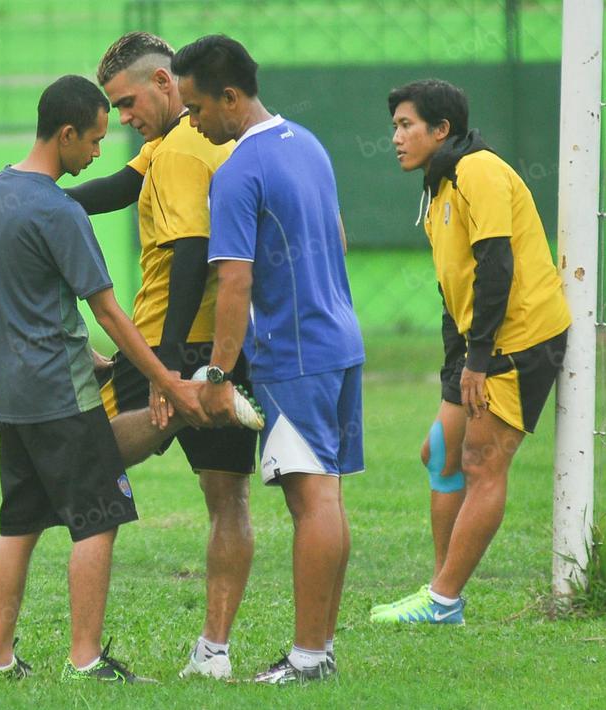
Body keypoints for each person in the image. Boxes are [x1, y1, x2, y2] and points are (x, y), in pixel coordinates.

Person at [0, 74, 205, 683]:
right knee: (99, 517)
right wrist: (165, 378)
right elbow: (108, 310)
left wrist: (90, 354)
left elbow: (25, 292)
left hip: (13, 395)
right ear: (67, 133)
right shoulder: (60, 210)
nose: (100, 154)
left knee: (19, 523)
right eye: (96, 141)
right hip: (60, 392)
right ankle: (86, 659)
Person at [61, 31, 260, 681]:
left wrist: (166, 365)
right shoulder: (183, 141)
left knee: (83, 468)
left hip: (160, 345)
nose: (120, 119)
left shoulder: (178, 150)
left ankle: (79, 648)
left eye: (124, 103)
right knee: (226, 499)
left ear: (164, 83)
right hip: (216, 349)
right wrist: (43, 199)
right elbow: (120, 187)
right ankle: (214, 652)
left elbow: (190, 251)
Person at [173, 34, 365, 684]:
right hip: (340, 340)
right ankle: (320, 651)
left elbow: (233, 282)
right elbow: (336, 235)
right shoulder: (306, 144)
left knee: (310, 502)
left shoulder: (236, 172)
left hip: (295, 355)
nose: (192, 124)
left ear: (230, 97)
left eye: (195, 109)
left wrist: (218, 376)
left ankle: (309, 658)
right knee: (326, 498)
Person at [370, 79, 570, 625]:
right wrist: (456, 365)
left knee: (482, 462)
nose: (396, 137)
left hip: (522, 338)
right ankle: (441, 592)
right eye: (394, 127)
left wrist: (478, 362)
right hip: (479, 344)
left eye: (407, 126)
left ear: (442, 130)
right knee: (439, 453)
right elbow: (453, 286)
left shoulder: (477, 171)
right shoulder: (438, 187)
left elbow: (497, 267)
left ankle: (443, 600)